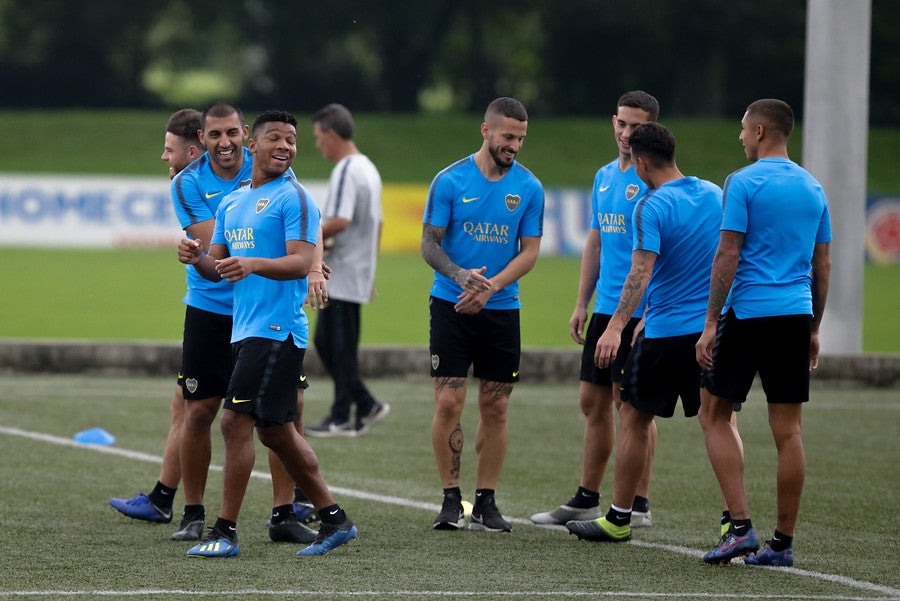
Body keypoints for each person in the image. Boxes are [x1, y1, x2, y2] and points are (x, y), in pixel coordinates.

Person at [110, 102, 319, 545]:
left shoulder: (275, 169)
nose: (224, 143)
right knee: (200, 410)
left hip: (265, 312)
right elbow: (217, 252)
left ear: (245, 134)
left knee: (284, 414)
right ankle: (193, 513)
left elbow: (300, 230)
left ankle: (285, 510)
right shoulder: (187, 182)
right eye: (214, 135)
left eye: (231, 133)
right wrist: (202, 257)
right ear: (201, 142)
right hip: (210, 306)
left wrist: (313, 267)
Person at [179, 109, 357, 558]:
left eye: (291, 140)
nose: (285, 146)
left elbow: (301, 261)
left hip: (277, 330)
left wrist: (255, 264)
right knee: (277, 431)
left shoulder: (294, 198)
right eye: (274, 138)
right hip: (245, 329)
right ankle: (335, 520)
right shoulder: (233, 202)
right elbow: (217, 268)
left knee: (235, 421)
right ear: (252, 146)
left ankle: (225, 532)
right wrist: (193, 254)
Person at [565, 122, 722, 543]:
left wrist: (616, 327)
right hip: (709, 331)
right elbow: (721, 258)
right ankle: (736, 520)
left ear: (641, 161)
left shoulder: (649, 206)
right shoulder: (713, 194)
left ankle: (619, 517)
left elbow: (641, 271)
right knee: (719, 422)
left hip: (664, 332)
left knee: (633, 417)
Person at [696, 98, 831, 567]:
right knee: (788, 431)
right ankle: (782, 544)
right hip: (796, 314)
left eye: (741, 129)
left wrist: (711, 322)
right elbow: (822, 264)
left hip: (750, 313)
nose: (738, 137)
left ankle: (738, 527)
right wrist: (813, 326)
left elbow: (728, 253)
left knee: (712, 413)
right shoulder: (814, 188)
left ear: (758, 131)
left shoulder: (743, 181)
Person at [531, 91, 659, 528]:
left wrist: (649, 312)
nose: (627, 134)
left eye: (636, 127)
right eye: (622, 124)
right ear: (613, 122)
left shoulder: (654, 178)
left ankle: (637, 503)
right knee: (592, 399)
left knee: (633, 405)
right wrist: (581, 302)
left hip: (640, 310)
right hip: (605, 305)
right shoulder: (605, 176)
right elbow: (597, 240)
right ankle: (587, 497)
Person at [422, 97, 544, 533]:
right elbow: (430, 244)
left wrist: (491, 286)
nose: (514, 145)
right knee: (449, 401)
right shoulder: (450, 180)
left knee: (496, 408)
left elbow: (529, 252)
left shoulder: (529, 187)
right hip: (451, 304)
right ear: (485, 131)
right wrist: (461, 277)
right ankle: (450, 500)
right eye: (508, 136)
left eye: (521, 138)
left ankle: (486, 502)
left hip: (501, 308)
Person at [305, 103, 390, 437]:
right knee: (336, 343)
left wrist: (306, 239)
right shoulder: (368, 167)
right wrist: (371, 271)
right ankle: (357, 406)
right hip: (356, 270)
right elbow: (378, 222)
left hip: (340, 272)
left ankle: (349, 411)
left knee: (332, 343)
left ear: (331, 134)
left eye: (317, 137)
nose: (317, 144)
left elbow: (340, 219)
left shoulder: (346, 169)